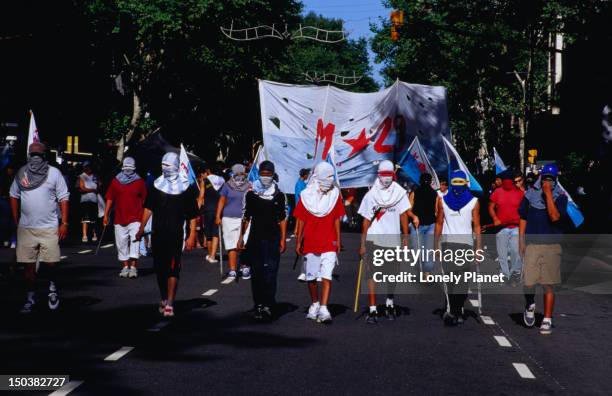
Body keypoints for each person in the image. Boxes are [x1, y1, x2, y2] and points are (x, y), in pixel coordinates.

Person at [136, 152, 198, 318]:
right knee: (160, 269)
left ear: (176, 166)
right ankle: (163, 297)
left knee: (172, 269)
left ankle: (170, 301)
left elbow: (192, 215)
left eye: (168, 165)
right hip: (158, 233)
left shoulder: (187, 188)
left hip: (176, 234)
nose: (165, 168)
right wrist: (141, 228)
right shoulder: (156, 185)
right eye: (163, 165)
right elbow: (148, 208)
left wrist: (192, 235)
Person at [9, 142, 69, 313]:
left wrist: (64, 223)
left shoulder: (54, 173)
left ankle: (52, 288)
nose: (36, 158)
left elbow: (64, 198)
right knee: (28, 266)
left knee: (51, 263)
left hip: (49, 227)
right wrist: (16, 220)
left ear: (44, 156)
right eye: (33, 155)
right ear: (29, 156)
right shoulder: (22, 173)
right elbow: (13, 195)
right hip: (27, 228)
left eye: (39, 155)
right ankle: (30, 298)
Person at [358, 160, 415, 324]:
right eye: (383, 174)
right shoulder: (371, 195)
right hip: (374, 239)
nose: (386, 178)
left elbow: (404, 215)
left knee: (392, 274)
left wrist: (405, 238)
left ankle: (390, 302)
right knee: (372, 274)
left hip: (393, 239)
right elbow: (366, 221)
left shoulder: (399, 193)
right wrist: (362, 244)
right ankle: (373, 307)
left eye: (389, 174)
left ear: (393, 175)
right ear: (378, 174)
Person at [519, 163, 567, 335]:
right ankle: (530, 304)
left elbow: (554, 217)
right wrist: (521, 241)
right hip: (532, 244)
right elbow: (523, 217)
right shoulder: (529, 194)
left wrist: (548, 194)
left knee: (548, 283)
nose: (547, 181)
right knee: (529, 282)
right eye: (545, 178)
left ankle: (547, 318)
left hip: (552, 245)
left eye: (551, 179)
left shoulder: (561, 197)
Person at [294, 162, 344, 323]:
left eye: (331, 176)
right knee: (311, 278)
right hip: (310, 241)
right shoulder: (306, 195)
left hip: (329, 241)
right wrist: (298, 241)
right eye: (326, 176)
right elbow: (301, 219)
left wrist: (338, 240)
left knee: (327, 276)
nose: (329, 180)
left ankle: (324, 308)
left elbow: (337, 219)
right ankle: (315, 303)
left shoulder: (335, 194)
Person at [238, 160, 287, 321]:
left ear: (273, 175)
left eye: (268, 174)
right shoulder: (251, 193)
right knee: (257, 273)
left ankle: (269, 304)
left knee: (271, 273)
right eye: (263, 174)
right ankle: (258, 304)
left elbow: (282, 219)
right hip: (255, 239)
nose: (265, 177)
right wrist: (240, 238)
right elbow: (245, 217)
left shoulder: (279, 195)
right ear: (259, 174)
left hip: (272, 239)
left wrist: (283, 240)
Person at [434, 170, 481, 326]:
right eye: (455, 182)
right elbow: (439, 223)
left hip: (466, 245)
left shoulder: (474, 201)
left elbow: (477, 225)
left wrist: (478, 248)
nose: (457, 186)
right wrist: (436, 245)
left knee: (463, 282)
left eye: (461, 183)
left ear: (466, 184)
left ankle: (456, 308)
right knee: (451, 280)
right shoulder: (442, 201)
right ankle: (454, 311)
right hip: (448, 244)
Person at [103, 157, 147, 279]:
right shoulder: (116, 181)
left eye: (130, 167)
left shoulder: (139, 181)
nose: (128, 170)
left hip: (136, 217)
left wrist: (145, 218)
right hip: (119, 217)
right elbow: (110, 198)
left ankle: (133, 267)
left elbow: (145, 200)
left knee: (135, 241)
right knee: (121, 243)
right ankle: (125, 266)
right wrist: (106, 215)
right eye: (126, 167)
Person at [488, 170, 524, 284]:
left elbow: (525, 209)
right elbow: (490, 207)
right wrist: (495, 218)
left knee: (515, 251)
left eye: (510, 181)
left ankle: (515, 272)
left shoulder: (520, 193)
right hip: (501, 228)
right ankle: (504, 274)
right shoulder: (497, 192)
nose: (508, 183)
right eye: (505, 181)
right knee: (502, 253)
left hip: (516, 227)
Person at [216, 164, 251, 280]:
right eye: (239, 172)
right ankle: (232, 269)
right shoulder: (227, 185)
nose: (241, 175)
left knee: (244, 243)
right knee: (231, 245)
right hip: (228, 218)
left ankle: (244, 266)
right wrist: (218, 216)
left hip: (245, 219)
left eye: (243, 173)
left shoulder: (249, 185)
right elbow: (221, 200)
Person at [409, 173, 437, 275]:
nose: (426, 183)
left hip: (430, 225)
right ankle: (420, 266)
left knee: (428, 249)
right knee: (417, 249)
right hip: (417, 225)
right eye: (424, 181)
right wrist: (414, 217)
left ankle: (427, 273)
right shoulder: (414, 193)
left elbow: (437, 210)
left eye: (427, 181)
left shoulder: (435, 194)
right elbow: (408, 210)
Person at [198, 165, 224, 263]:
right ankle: (212, 256)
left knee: (208, 234)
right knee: (216, 233)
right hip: (218, 210)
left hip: (208, 209)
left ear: (209, 171)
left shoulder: (204, 181)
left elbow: (201, 197)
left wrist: (197, 211)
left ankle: (210, 254)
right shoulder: (222, 181)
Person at [79, 161, 99, 242]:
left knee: (94, 219)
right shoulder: (82, 176)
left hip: (94, 200)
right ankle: (84, 235)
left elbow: (99, 185)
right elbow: (82, 188)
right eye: (87, 166)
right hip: (85, 200)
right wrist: (92, 190)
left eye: (90, 166)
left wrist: (98, 186)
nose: (89, 168)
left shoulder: (95, 176)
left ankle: (94, 234)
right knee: (85, 219)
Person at [292, 168, 310, 237]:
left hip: (302, 203)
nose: (308, 176)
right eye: (307, 175)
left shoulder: (302, 183)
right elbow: (300, 193)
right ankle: (297, 231)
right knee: (300, 218)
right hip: (300, 203)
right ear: (304, 175)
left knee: (299, 218)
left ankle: (296, 231)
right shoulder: (299, 183)